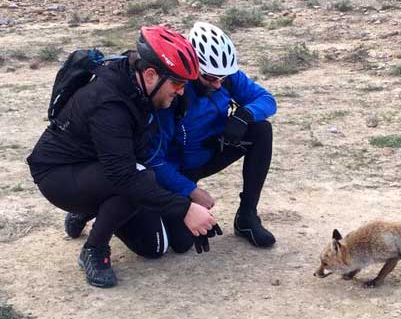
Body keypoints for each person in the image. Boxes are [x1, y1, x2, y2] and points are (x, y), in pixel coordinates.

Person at [26, 25, 217, 288]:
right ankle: (94, 248)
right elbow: (126, 176)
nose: (182, 91)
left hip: (98, 166)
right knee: (140, 182)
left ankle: (88, 210)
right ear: (150, 75)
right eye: (178, 83)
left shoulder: (135, 83)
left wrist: (186, 193)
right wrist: (184, 208)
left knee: (154, 244)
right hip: (59, 176)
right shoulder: (110, 105)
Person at [148, 21, 277, 249]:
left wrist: (244, 115)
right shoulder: (172, 94)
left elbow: (267, 100)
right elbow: (154, 159)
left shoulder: (225, 76)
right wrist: (190, 191)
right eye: (209, 77)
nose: (218, 85)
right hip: (177, 169)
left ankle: (247, 216)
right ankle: (91, 210)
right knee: (181, 244)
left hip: (211, 150)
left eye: (223, 78)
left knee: (261, 130)